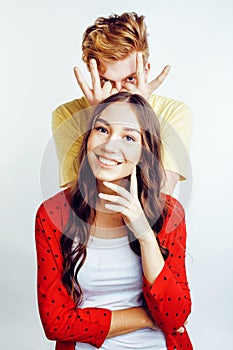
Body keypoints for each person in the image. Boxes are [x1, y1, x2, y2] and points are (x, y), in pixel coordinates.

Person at [36, 92, 192, 350]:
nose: (110, 146)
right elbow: (55, 323)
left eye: (129, 137)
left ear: (145, 152)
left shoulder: (168, 212)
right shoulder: (54, 214)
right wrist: (145, 317)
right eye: (102, 130)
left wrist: (144, 235)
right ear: (88, 138)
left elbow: (175, 315)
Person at [52, 12, 192, 195]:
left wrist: (141, 113)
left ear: (146, 70)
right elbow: (81, 201)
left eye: (130, 79)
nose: (119, 92)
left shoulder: (175, 113)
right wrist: (100, 117)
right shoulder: (67, 115)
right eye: (107, 81)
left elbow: (160, 199)